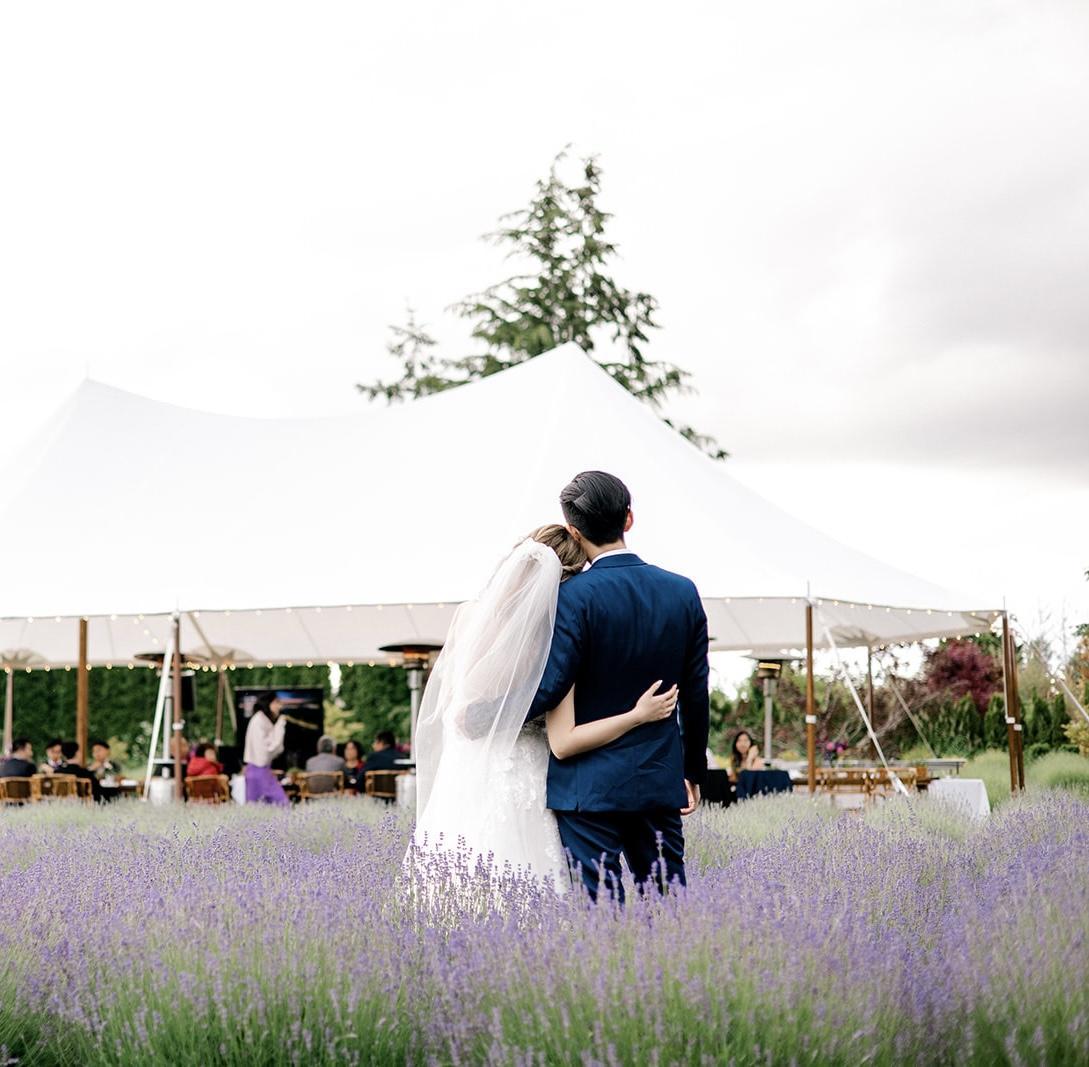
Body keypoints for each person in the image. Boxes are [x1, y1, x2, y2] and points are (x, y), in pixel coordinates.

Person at [413, 495, 700, 897]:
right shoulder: (549, 642)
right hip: (535, 772)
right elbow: (561, 734)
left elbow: (464, 709)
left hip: (470, 774)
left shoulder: (468, 616)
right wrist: (641, 717)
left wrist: (481, 717)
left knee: (460, 879)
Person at [242, 693, 289, 806]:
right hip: (259, 771)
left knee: (256, 809)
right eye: (276, 702)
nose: (279, 706)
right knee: (282, 805)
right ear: (268, 704)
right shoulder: (260, 721)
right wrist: (280, 725)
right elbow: (268, 749)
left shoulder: (260, 720)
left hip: (258, 771)